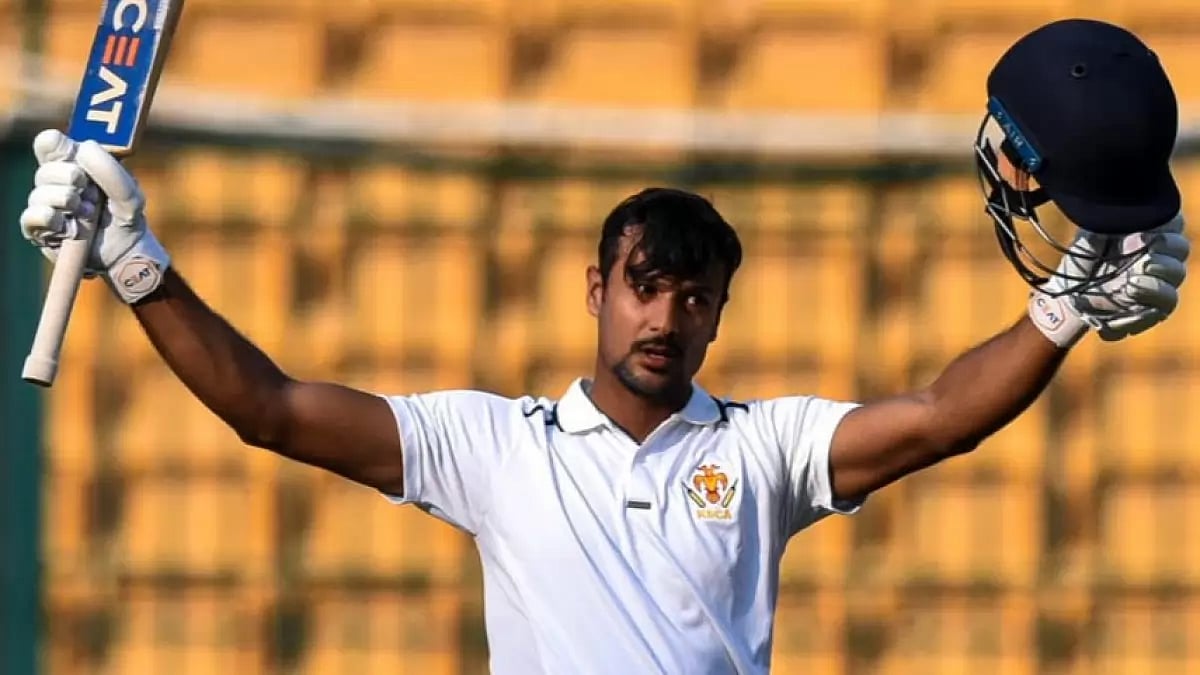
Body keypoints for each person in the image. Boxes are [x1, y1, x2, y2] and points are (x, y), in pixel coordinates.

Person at [16, 17, 1190, 675]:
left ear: (719, 317)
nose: (663, 321)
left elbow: (943, 415)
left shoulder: (767, 449)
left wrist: (1065, 310)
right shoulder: (496, 446)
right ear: (597, 287)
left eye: (692, 301)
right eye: (644, 289)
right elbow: (267, 409)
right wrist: (136, 264)